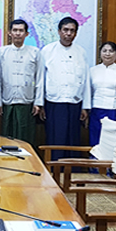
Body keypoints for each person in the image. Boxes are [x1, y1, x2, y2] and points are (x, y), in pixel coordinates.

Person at [40, 17, 91, 160]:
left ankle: (72, 171)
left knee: (73, 140)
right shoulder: (47, 51)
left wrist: (85, 107)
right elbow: (41, 79)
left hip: (75, 103)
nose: (68, 34)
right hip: (54, 103)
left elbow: (85, 80)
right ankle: (54, 170)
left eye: (72, 31)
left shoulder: (81, 52)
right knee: (55, 139)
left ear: (76, 33)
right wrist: (40, 104)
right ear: (59, 31)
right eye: (65, 30)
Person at [0, 19, 44, 145]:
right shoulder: (1, 52)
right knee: (8, 137)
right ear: (9, 33)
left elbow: (39, 79)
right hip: (8, 102)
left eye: (21, 30)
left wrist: (38, 103)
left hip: (27, 103)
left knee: (25, 137)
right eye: (15, 30)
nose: (17, 33)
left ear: (26, 34)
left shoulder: (34, 52)